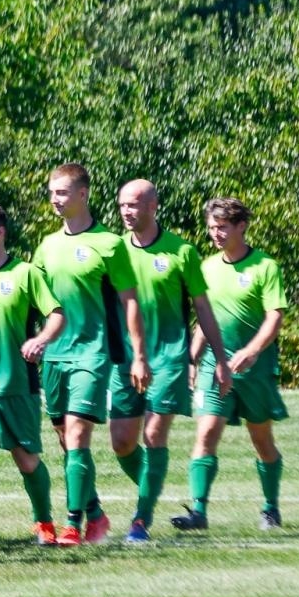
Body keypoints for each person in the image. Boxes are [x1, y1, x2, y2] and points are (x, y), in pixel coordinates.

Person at [32, 163, 150, 545]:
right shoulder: (47, 246)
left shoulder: (109, 244)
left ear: (82, 194)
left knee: (79, 434)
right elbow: (34, 298)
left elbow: (130, 302)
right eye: (51, 192)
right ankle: (96, 514)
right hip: (54, 356)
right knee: (65, 439)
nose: (55, 199)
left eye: (62, 192)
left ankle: (73, 523)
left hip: (94, 354)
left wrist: (138, 356)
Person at [113, 180, 233, 542]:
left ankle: (141, 520)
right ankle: (151, 485)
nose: (126, 211)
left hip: (168, 357)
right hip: (125, 358)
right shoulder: (114, 250)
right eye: (122, 205)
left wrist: (220, 359)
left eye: (134, 204)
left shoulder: (182, 252)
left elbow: (202, 308)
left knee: (153, 435)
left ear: (153, 206)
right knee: (122, 443)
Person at [173, 198, 289, 532]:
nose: (216, 233)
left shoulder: (265, 266)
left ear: (242, 226)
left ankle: (270, 508)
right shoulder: (207, 267)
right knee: (207, 431)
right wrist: (192, 358)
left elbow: (275, 316)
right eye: (212, 227)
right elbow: (204, 319)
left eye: (222, 227)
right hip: (215, 364)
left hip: (255, 369)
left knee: (261, 440)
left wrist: (252, 350)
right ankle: (198, 512)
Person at [0, 204, 65, 544]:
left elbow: (56, 314)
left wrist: (41, 339)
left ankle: (45, 523)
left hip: (15, 382)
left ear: (0, 233)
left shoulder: (25, 273)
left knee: (26, 458)